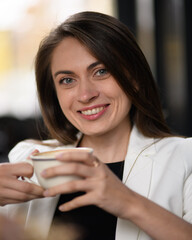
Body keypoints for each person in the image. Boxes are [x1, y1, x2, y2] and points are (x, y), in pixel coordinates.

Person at [0, 11, 191, 240]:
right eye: (67, 80)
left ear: (135, 78)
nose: (86, 95)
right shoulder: (29, 159)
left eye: (101, 71)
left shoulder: (185, 159)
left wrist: (128, 202)